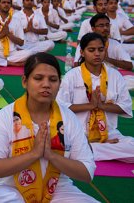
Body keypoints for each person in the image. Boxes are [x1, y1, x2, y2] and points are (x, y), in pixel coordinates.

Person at [0, 53, 97, 203]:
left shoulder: (68, 118)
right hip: (14, 188)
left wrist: (51, 155)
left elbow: (87, 173)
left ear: (59, 84)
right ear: (24, 81)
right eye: (38, 78)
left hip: (57, 188)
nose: (46, 84)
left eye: (53, 80)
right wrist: (34, 154)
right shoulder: (5, 116)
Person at [57, 33, 134, 163]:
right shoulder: (72, 76)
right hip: (78, 132)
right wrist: (90, 106)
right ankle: (94, 148)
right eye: (91, 50)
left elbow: (125, 106)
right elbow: (60, 107)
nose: (97, 54)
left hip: (108, 132)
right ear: (82, 52)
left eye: (101, 50)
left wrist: (102, 106)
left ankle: (89, 150)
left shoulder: (115, 75)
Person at [0, 0, 32, 66]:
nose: (6, 4)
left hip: (12, 53)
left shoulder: (16, 21)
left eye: (8, 3)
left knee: (30, 53)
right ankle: (10, 63)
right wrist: (1, 35)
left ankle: (2, 62)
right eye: (3, 2)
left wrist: (8, 34)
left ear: (10, 5)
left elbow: (21, 42)